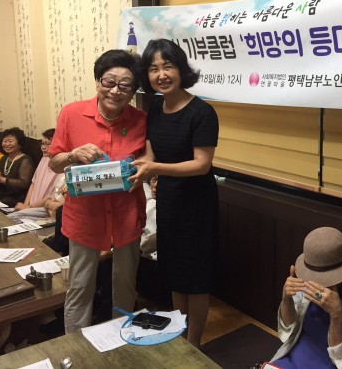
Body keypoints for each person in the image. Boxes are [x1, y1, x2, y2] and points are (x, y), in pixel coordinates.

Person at [48, 49, 147, 333]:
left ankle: (121, 340)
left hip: (126, 214)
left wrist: (142, 171)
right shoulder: (72, 113)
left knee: (126, 285)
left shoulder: (141, 119)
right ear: (97, 82)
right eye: (109, 82)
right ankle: (77, 348)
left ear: (133, 91)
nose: (115, 91)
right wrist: (73, 155)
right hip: (85, 217)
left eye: (125, 85)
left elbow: (148, 161)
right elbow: (54, 163)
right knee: (80, 286)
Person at [129, 38, 219, 349]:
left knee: (196, 278)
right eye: (153, 69)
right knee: (175, 272)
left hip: (197, 204)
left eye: (167, 66)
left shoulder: (202, 112)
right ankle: (180, 335)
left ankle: (194, 343)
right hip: (168, 199)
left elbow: (202, 164)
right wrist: (144, 168)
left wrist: (156, 169)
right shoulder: (155, 107)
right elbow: (151, 152)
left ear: (181, 69)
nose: (161, 75)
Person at [269, 227, 342, 369]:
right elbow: (286, 332)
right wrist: (286, 300)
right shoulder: (308, 276)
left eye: (324, 278)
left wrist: (337, 315)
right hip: (294, 353)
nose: (317, 282)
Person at [0, 127, 35, 207]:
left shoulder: (25, 160)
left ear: (20, 144)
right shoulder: (4, 158)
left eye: (11, 141)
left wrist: (2, 179)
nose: (7, 144)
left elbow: (24, 184)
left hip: (16, 198)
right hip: (1, 195)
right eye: (5, 141)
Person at [14, 129, 61, 211]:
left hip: (45, 210)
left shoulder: (62, 164)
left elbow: (51, 197)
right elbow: (33, 183)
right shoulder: (44, 158)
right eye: (42, 143)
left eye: (48, 144)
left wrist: (28, 208)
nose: (43, 147)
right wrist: (25, 205)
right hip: (31, 208)